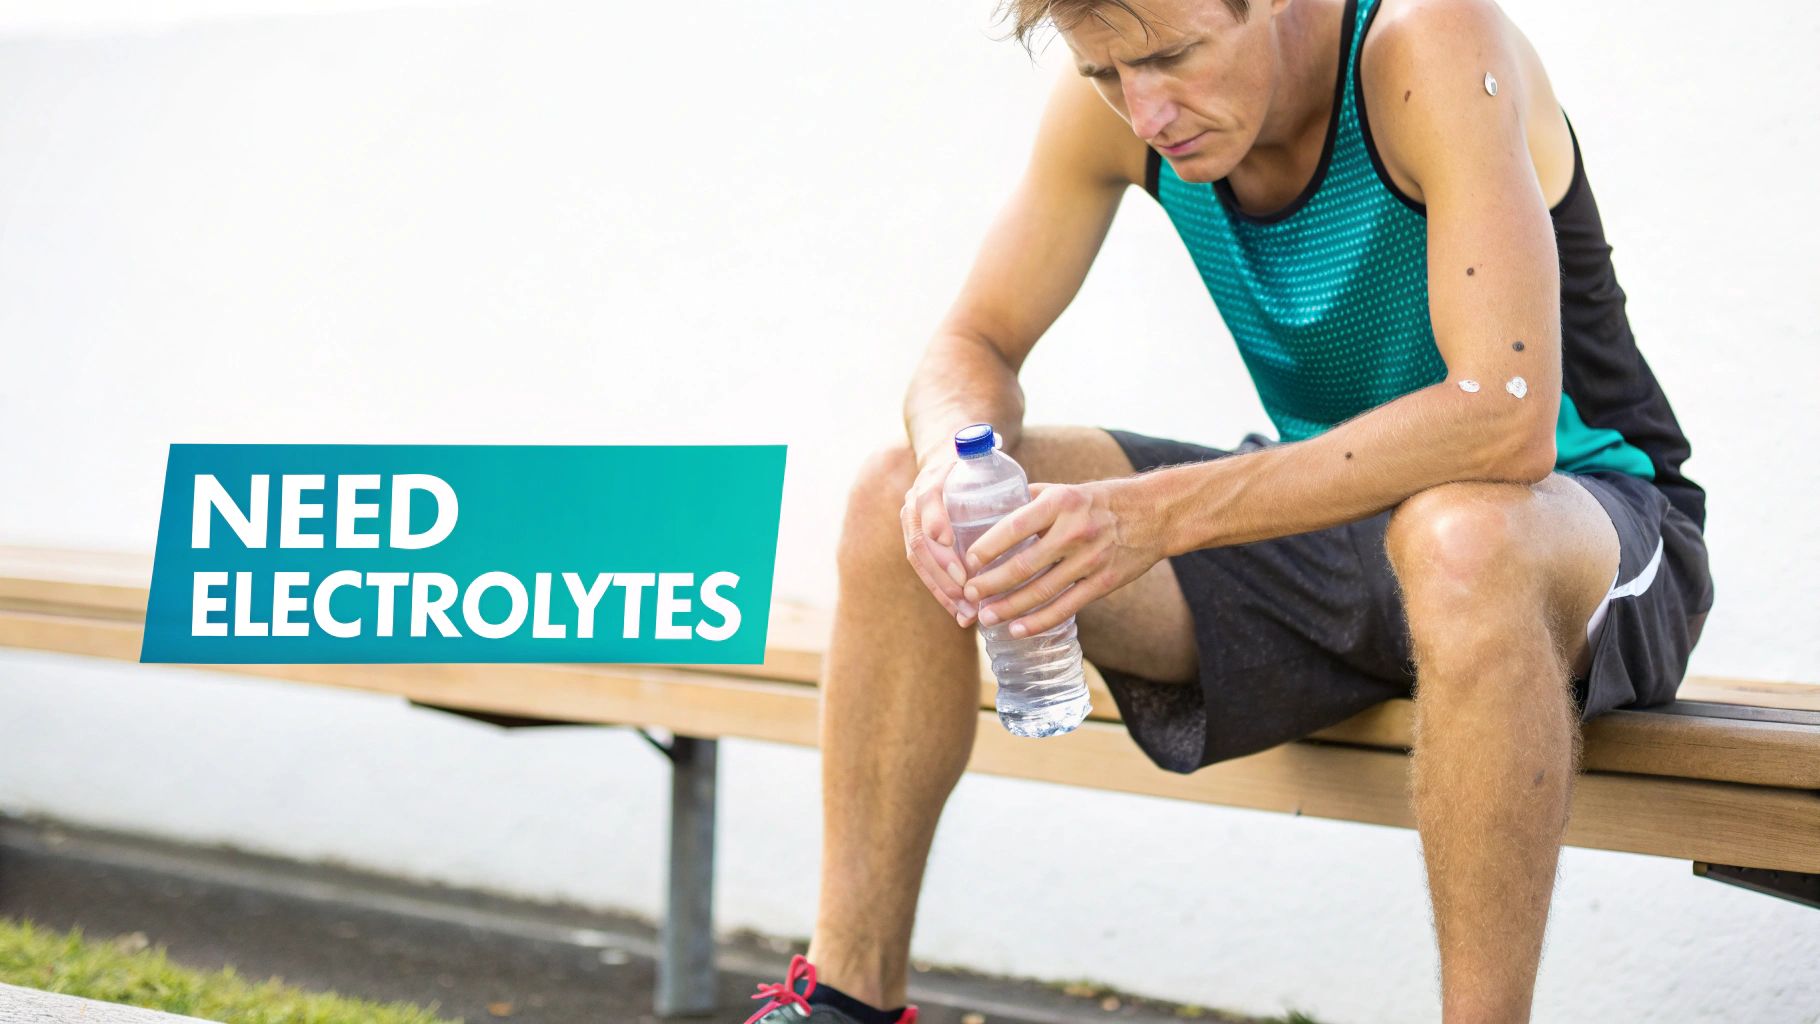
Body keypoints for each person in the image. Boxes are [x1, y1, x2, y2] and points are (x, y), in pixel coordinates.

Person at [740, 0, 1711, 1021]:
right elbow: (968, 346)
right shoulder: (1116, 97)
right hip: (1342, 536)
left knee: (1460, 535)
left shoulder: (1428, 43)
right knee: (895, 492)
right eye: (1108, 75)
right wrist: (951, 462)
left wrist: (1151, 515)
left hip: (1576, 524)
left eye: (1172, 56)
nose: (1146, 110)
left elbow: (1500, 421)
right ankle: (842, 1000)